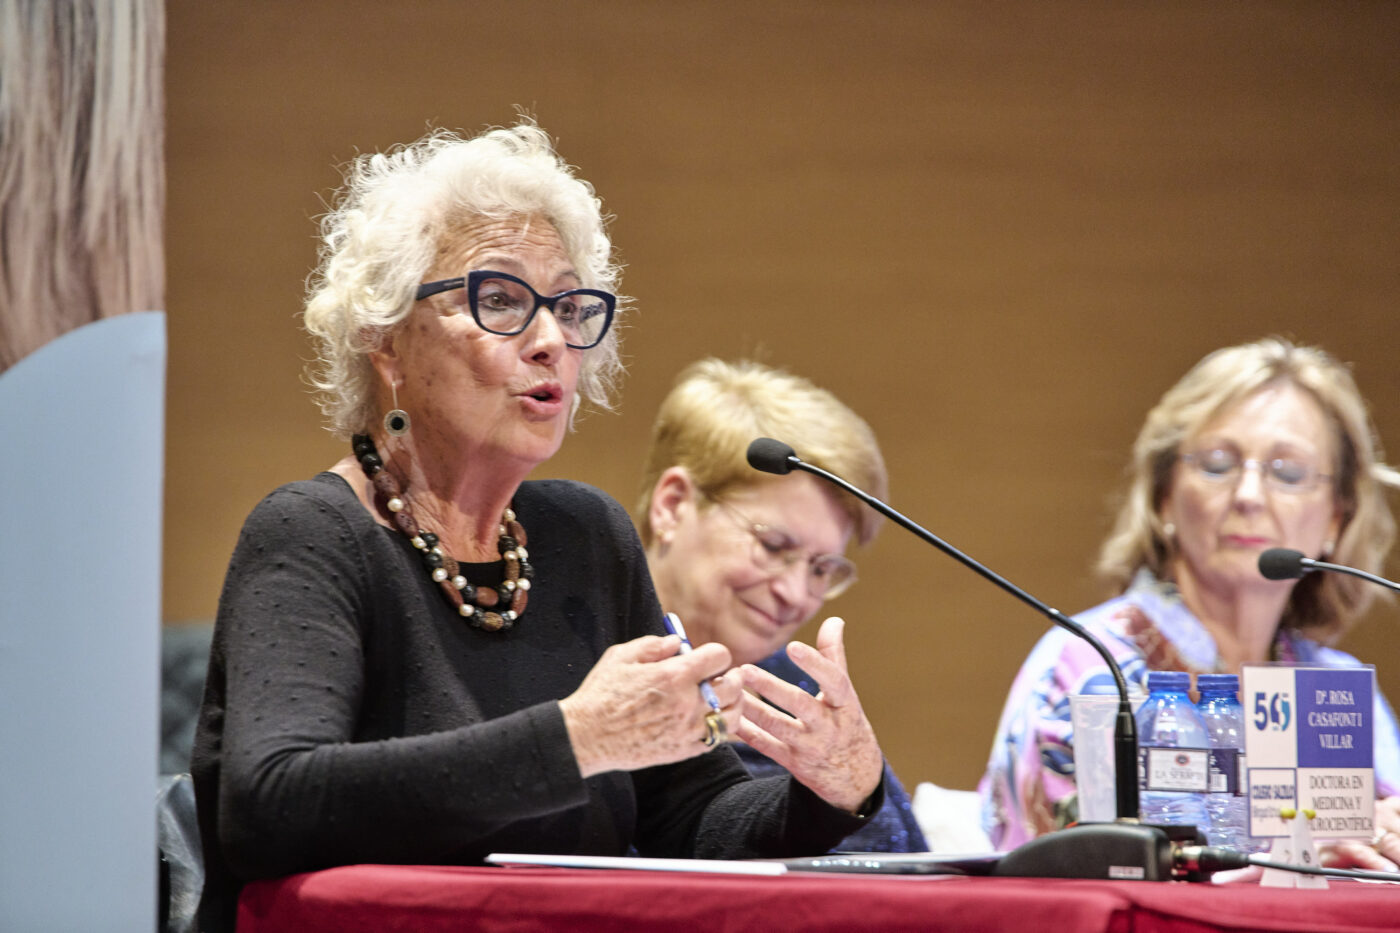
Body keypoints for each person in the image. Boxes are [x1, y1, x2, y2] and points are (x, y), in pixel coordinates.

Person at [190, 125, 886, 932]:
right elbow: (272, 802)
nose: (552, 340)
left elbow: (683, 815)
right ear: (386, 343)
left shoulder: (585, 537)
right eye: (501, 301)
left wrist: (831, 790)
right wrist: (577, 739)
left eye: (569, 306)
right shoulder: (312, 534)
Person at [979, 337, 1400, 869]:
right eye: (1218, 465)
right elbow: (1050, 877)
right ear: (1164, 497)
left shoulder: (1336, 687)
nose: (1249, 495)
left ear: (1337, 516)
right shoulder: (1087, 666)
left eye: (1288, 473)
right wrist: (1289, 858)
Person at [637, 358, 928, 852]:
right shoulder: (582, 662)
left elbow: (913, 879)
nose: (796, 594)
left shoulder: (794, 697)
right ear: (672, 506)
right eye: (773, 546)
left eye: (820, 568)